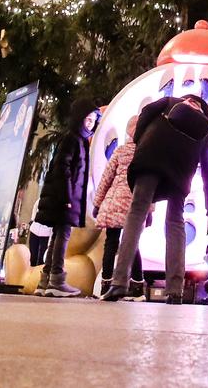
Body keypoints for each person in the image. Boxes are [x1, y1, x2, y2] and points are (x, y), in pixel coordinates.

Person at [101, 94, 208, 305]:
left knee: (137, 212)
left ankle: (119, 281)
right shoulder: (203, 128)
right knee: (175, 221)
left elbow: (146, 112)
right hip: (182, 171)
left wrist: (140, 141)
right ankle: (174, 290)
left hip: (151, 156)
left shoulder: (169, 102)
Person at [35, 98, 100, 298]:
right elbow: (62, 169)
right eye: (87, 119)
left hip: (63, 197)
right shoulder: (73, 140)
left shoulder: (76, 140)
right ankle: (56, 279)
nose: (89, 123)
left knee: (57, 236)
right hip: (64, 198)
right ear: (79, 119)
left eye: (92, 120)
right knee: (62, 236)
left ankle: (46, 280)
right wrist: (66, 197)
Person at [91, 113, 146, 298]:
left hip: (114, 203)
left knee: (110, 244)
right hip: (135, 205)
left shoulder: (120, 151)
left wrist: (97, 203)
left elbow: (106, 178)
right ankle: (138, 286)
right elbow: (148, 184)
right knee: (132, 244)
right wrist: (151, 210)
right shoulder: (145, 153)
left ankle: (106, 285)